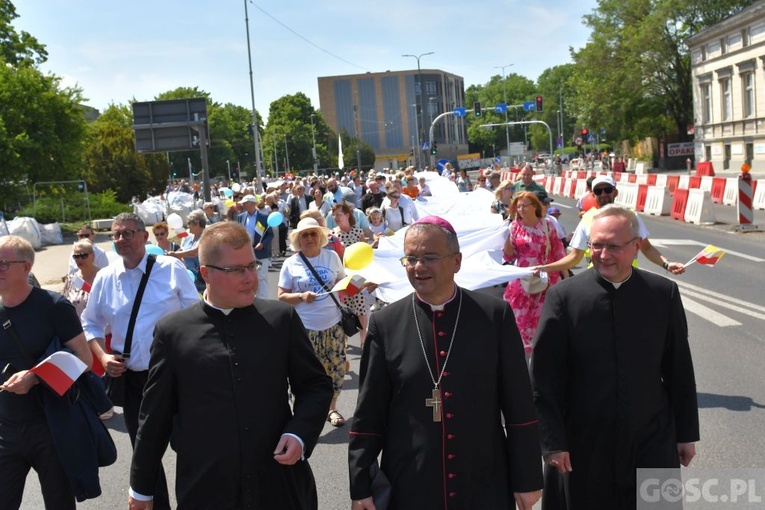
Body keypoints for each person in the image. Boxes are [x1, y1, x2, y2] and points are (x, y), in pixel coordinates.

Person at [127, 222, 333, 510]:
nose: (250, 277)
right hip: (207, 487)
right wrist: (141, 488)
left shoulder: (280, 319)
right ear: (205, 273)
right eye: (237, 270)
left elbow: (316, 386)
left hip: (278, 482)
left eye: (251, 266)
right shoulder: (173, 332)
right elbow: (154, 418)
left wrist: (299, 432)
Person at [348, 216, 544, 510]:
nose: (418, 267)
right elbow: (369, 412)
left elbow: (519, 404)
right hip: (410, 480)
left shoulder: (494, 316)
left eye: (430, 257)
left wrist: (527, 477)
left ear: (457, 261)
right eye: (411, 258)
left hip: (483, 477)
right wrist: (360, 482)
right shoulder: (385, 323)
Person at [531, 205, 699, 509]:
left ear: (636, 246)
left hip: (651, 437)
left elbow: (679, 370)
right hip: (583, 441)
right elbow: (544, 378)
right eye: (596, 245)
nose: (603, 254)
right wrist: (552, 442)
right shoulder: (564, 297)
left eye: (613, 246)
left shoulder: (663, 294)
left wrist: (686, 433)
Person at [81, 213, 199, 510]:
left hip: (176, 378)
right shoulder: (106, 278)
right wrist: (103, 356)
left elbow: (197, 319)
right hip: (134, 381)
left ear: (145, 237)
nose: (121, 239)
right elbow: (90, 324)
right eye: (116, 234)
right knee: (145, 454)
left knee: (191, 447)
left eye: (128, 233)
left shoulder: (171, 269)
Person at [0, 236, 93, 510]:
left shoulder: (54, 306)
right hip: (6, 428)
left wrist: (35, 377)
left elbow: (84, 360)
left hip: (51, 426)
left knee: (59, 503)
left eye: (3, 264)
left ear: (26, 267)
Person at [277, 218, 351, 427]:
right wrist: (301, 296)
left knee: (335, 370)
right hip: (304, 328)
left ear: (320, 237)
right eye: (305, 235)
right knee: (304, 373)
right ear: (299, 239)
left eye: (313, 234)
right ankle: (301, 412)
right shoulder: (291, 263)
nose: (309, 238)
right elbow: (282, 295)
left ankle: (331, 408)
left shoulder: (332, 257)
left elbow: (341, 284)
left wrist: (359, 285)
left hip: (333, 325)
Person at [534, 176, 686, 276]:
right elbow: (574, 257)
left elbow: (646, 247)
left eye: (607, 189)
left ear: (615, 192)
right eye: (598, 191)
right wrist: (546, 268)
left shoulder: (630, 217)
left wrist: (667, 264)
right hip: (597, 281)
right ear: (593, 195)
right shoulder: (587, 220)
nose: (603, 194)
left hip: (628, 280)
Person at [502, 192, 566, 360]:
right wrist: (509, 235)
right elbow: (509, 256)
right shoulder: (514, 227)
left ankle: (546, 356)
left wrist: (566, 278)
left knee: (546, 320)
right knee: (520, 321)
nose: (521, 209)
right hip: (522, 281)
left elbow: (559, 252)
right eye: (518, 206)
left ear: (535, 206)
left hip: (547, 277)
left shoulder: (547, 225)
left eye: (525, 205)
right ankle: (526, 362)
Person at [237, 194, 274, 300]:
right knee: (248, 277)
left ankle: (263, 302)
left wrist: (263, 244)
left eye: (245, 203)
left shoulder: (264, 217)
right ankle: (252, 300)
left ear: (251, 204)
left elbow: (270, 234)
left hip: (261, 252)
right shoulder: (241, 217)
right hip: (246, 252)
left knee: (262, 278)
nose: (243, 205)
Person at [168, 209, 206, 293]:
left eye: (189, 223)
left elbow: (194, 252)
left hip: (200, 278)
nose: (188, 226)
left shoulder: (205, 235)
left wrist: (175, 254)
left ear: (198, 223)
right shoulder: (188, 236)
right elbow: (182, 251)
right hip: (187, 276)